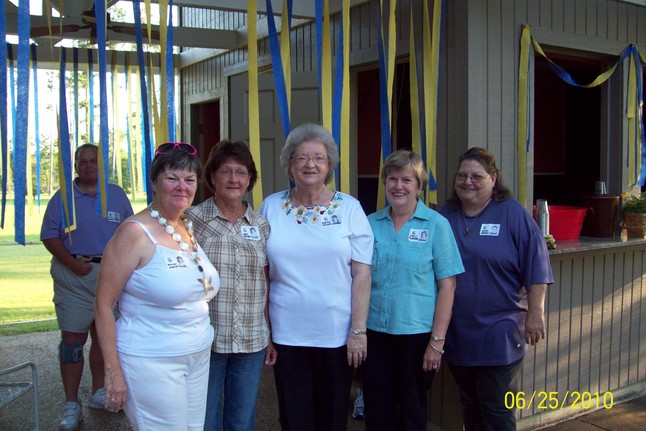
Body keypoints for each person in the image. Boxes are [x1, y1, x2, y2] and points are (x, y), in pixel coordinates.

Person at [94, 142, 220, 430]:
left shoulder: (185, 227)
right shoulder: (134, 233)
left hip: (197, 355)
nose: (182, 187)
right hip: (151, 360)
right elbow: (102, 305)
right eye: (172, 178)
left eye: (189, 180)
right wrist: (112, 373)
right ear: (154, 182)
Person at [258, 123, 373, 430]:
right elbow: (263, 274)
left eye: (318, 158)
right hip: (286, 332)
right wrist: (267, 330)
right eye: (301, 157)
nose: (310, 164)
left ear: (329, 165)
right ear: (289, 164)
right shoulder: (271, 207)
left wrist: (358, 331)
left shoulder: (350, 208)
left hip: (336, 334)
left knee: (331, 418)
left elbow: (362, 273)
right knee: (293, 418)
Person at [439, 147, 553, 431]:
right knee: (470, 404)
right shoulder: (445, 215)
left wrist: (536, 313)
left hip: (500, 333)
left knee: (496, 407)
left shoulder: (512, 214)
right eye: (462, 175)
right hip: (458, 333)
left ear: (493, 178)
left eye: (476, 176)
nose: (467, 182)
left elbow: (537, 266)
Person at [362, 150, 464, 430]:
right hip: (375, 334)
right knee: (377, 413)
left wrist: (436, 343)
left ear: (419, 186)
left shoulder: (437, 225)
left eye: (407, 180)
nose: (398, 186)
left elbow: (448, 286)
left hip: (416, 337)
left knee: (412, 413)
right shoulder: (369, 224)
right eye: (392, 179)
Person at [40, 143, 133, 431]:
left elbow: (131, 232)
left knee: (104, 336)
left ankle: (98, 392)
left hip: (111, 274)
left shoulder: (116, 195)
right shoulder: (62, 198)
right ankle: (71, 404)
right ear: (76, 165)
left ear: (101, 165)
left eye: (94, 161)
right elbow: (49, 235)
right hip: (75, 275)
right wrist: (71, 263)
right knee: (72, 341)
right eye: (83, 161)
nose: (89, 165)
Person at [185, 140, 276, 431]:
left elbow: (265, 281)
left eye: (241, 172)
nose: (233, 179)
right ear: (212, 176)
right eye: (226, 171)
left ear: (250, 179)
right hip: (207, 338)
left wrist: (269, 333)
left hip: (251, 339)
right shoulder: (192, 220)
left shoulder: (261, 225)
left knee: (241, 420)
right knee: (204, 419)